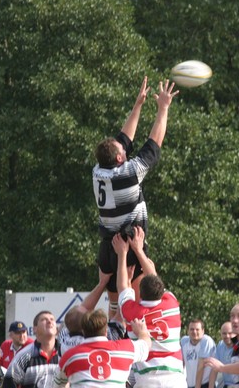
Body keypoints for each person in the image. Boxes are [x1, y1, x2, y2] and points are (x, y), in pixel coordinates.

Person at [92, 76, 179, 315]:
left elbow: (123, 139)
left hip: (108, 245)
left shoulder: (99, 171)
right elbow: (154, 143)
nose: (124, 146)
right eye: (122, 151)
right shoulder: (128, 173)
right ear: (120, 159)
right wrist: (163, 108)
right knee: (145, 307)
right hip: (129, 244)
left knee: (115, 309)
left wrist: (138, 105)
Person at [113, 232, 186, 388]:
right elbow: (153, 278)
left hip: (147, 381)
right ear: (160, 291)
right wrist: (139, 250)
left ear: (139, 291)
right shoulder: (171, 304)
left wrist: (122, 254)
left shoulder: (132, 313)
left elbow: (122, 288)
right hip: (175, 380)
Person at [53, 308, 151, 387]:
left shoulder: (69, 356)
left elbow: (58, 385)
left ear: (83, 331)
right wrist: (142, 332)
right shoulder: (126, 348)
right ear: (106, 331)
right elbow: (146, 345)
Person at [58, 268, 126, 358]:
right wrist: (125, 281)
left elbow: (78, 315)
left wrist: (102, 284)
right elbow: (122, 314)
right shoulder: (104, 340)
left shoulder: (64, 338)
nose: (89, 308)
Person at [2, 310, 59, 388]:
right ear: (35, 329)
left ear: (56, 329)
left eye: (52, 319)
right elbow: (8, 385)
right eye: (44, 320)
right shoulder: (23, 357)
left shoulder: (66, 354)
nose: (49, 321)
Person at [181, 319, 216, 388]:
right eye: (191, 329)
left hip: (204, 384)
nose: (194, 332)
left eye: (197, 329)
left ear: (203, 331)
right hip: (189, 384)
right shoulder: (184, 341)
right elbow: (182, 363)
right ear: (188, 331)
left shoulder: (206, 341)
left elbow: (200, 367)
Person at [208, 321, 237, 388]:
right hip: (226, 384)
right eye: (224, 333)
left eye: (230, 333)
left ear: (235, 333)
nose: (227, 336)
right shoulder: (220, 345)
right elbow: (214, 369)